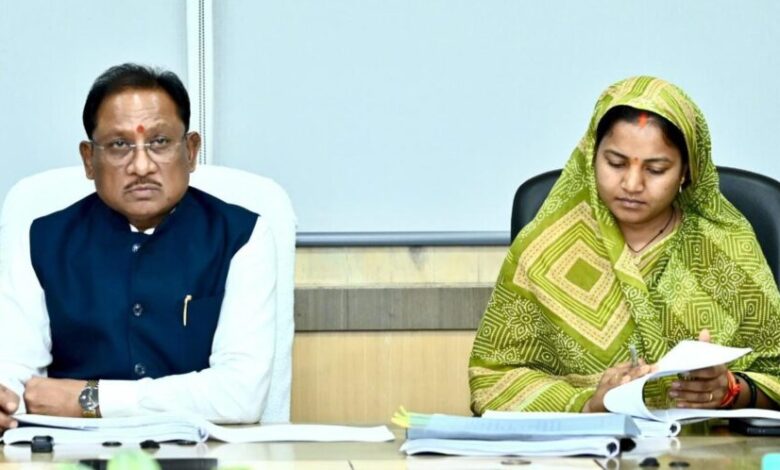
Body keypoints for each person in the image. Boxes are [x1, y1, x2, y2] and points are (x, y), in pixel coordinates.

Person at [469, 76, 780, 414]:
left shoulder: (726, 248)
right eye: (615, 163)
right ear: (591, 157)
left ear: (686, 172)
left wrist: (732, 390)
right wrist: (588, 404)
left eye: (656, 169)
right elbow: (494, 379)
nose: (632, 184)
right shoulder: (542, 248)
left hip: (710, 443)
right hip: (584, 444)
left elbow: (774, 372)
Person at [0, 63, 277, 432]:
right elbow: (16, 381)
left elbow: (241, 395)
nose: (142, 166)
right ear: (89, 160)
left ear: (191, 151)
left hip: (202, 452)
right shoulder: (40, 241)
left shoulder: (242, 236)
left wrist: (91, 399)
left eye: (159, 142)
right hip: (67, 452)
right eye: (119, 145)